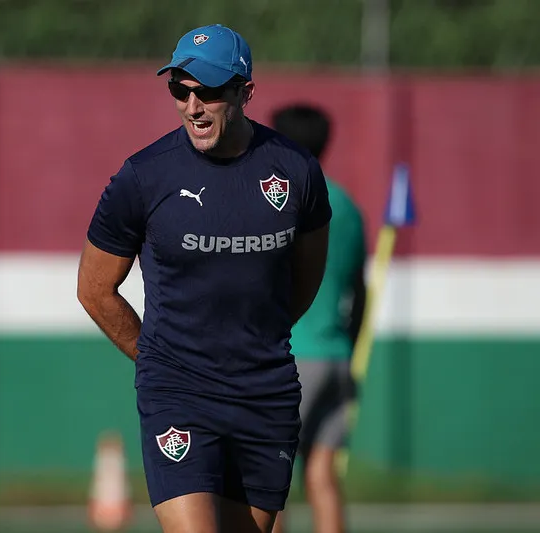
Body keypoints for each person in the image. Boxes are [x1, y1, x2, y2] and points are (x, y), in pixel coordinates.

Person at [77, 24, 332, 533]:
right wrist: (158, 358)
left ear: (246, 92)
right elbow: (94, 289)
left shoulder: (297, 172)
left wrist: (256, 342)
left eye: (209, 91)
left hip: (266, 392)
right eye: (180, 89)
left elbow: (303, 283)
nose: (193, 105)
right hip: (179, 393)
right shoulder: (143, 177)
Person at [269, 104, 367, 533]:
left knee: (270, 478)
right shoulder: (347, 205)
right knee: (322, 475)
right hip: (337, 354)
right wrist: (350, 343)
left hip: (292, 355)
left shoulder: (279, 199)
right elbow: (359, 291)